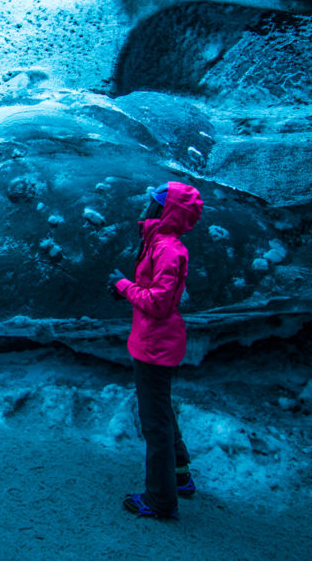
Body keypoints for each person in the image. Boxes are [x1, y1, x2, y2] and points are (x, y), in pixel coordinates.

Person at [109, 181, 203, 520]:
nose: (146, 207)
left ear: (166, 211)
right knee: (161, 412)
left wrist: (123, 286)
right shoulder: (159, 243)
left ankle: (161, 499)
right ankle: (180, 478)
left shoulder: (167, 249)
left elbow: (160, 303)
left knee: (155, 423)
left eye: (153, 202)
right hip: (154, 341)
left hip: (155, 345)